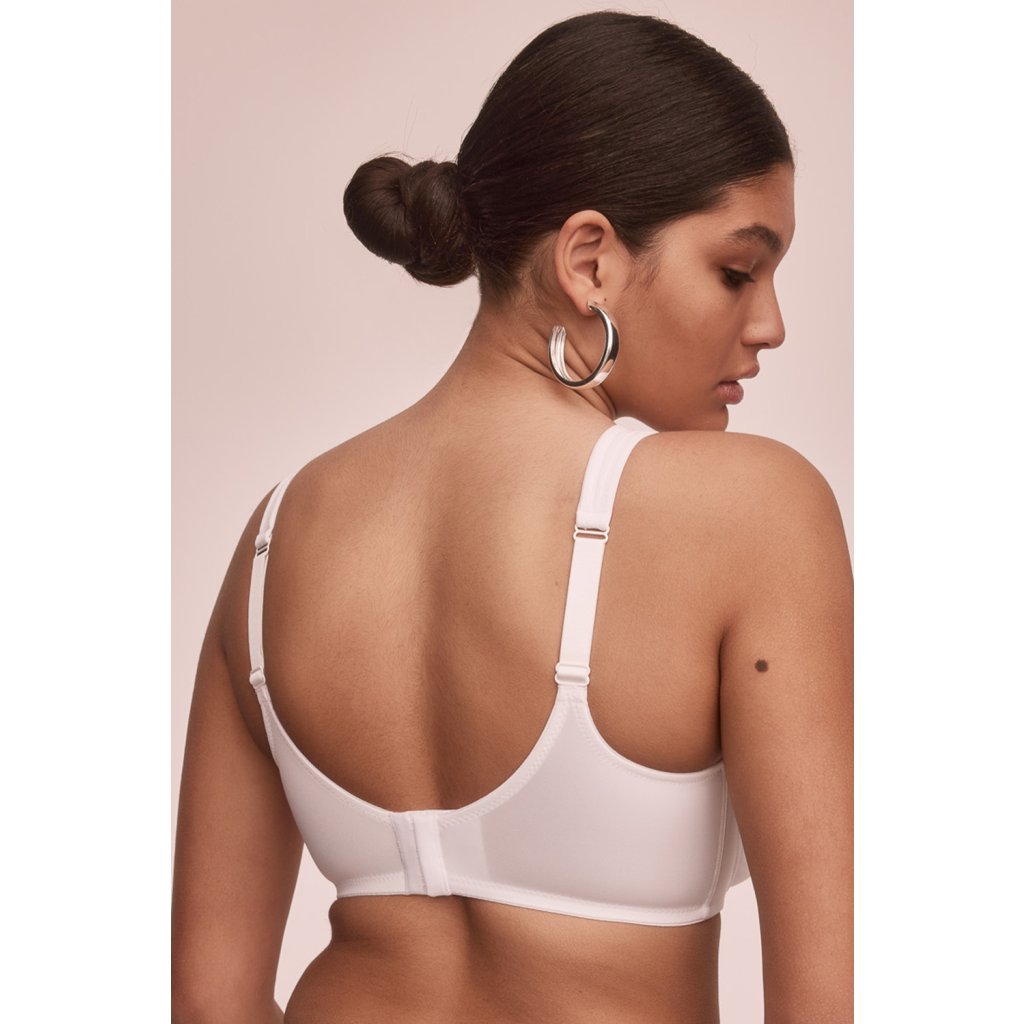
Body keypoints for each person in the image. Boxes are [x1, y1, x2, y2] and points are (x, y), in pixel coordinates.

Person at [171, 10, 852, 1024]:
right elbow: (830, 1002)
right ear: (589, 262)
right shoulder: (752, 513)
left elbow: (210, 1003)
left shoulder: (278, 536)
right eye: (738, 271)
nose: (771, 325)